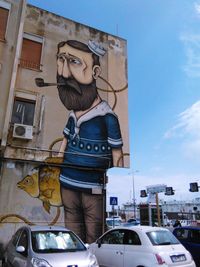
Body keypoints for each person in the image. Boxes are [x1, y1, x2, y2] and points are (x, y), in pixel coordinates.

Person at [57, 40, 123, 243]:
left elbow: (117, 155)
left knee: (94, 235)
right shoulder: (72, 114)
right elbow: (64, 143)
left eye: (74, 62)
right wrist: (55, 166)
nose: (64, 73)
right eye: (61, 60)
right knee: (72, 234)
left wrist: (112, 177)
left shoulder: (107, 117)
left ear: (95, 72)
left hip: (93, 186)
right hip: (66, 183)